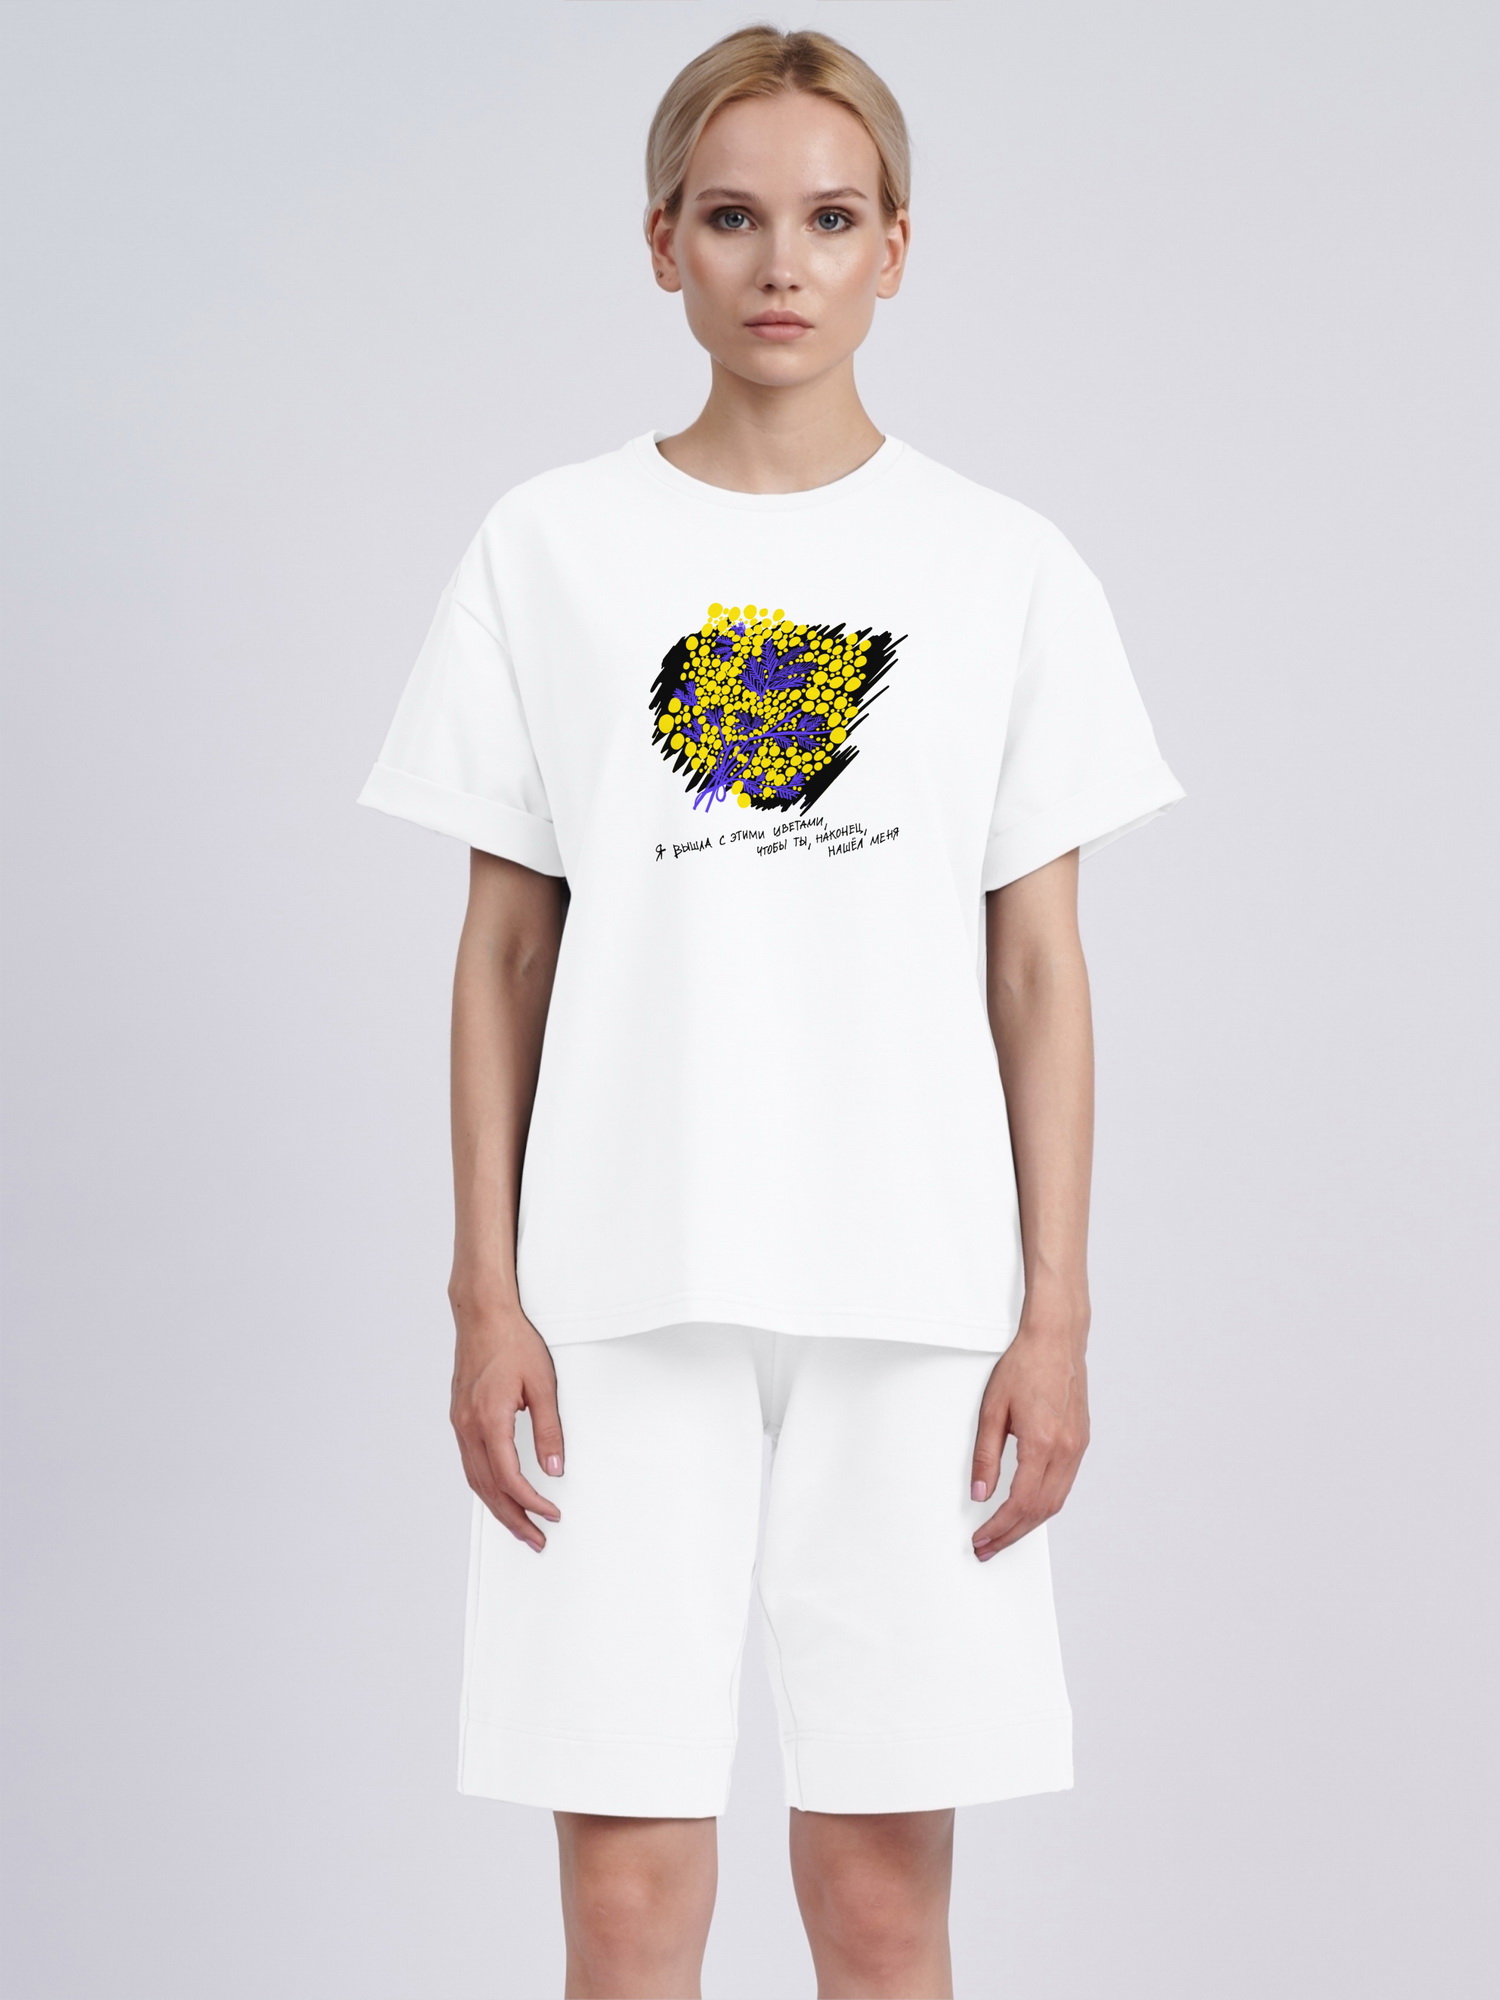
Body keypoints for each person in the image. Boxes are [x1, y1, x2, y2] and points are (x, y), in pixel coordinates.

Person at [356, 23, 1183, 2000]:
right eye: (732, 218)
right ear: (662, 244)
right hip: (614, 1296)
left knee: (884, 1906)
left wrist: (1056, 1314)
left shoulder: (1001, 568)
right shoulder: (549, 549)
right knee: (629, 1903)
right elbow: (503, 950)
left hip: (917, 1302)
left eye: (829, 218)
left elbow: (1040, 966)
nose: (780, 264)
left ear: (899, 245)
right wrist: (484, 1293)